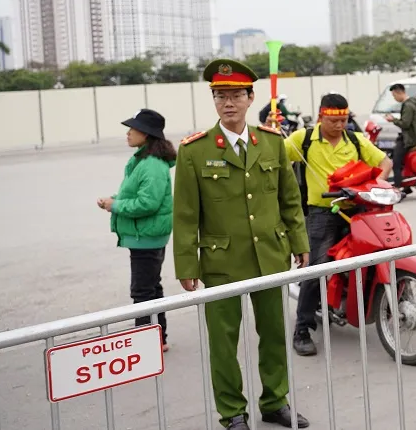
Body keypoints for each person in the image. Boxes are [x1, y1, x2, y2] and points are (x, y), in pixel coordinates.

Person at [173, 59, 310, 430]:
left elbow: (289, 199)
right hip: (221, 263)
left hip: (270, 256)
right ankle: (232, 412)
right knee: (223, 343)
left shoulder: (272, 142)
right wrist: (186, 264)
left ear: (251, 98)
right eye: (220, 96)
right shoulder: (194, 151)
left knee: (275, 335)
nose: (228, 103)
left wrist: (299, 241)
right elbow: (185, 214)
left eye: (235, 95)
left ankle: (275, 402)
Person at [283, 93, 392, 357]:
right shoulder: (303, 139)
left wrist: (379, 184)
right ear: (321, 116)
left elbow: (385, 161)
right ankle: (302, 329)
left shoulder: (354, 140)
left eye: (344, 119)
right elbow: (274, 155)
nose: (340, 125)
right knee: (317, 268)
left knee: (382, 253)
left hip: (359, 208)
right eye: (334, 120)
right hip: (323, 212)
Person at [98, 109, 175, 352]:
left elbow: (147, 203)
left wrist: (115, 206)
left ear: (147, 134)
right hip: (147, 236)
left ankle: (146, 346)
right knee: (152, 288)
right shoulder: (143, 160)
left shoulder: (151, 165)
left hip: (147, 237)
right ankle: (158, 338)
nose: (128, 133)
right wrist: (114, 200)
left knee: (142, 292)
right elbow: (136, 194)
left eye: (133, 129)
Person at [385, 83, 416, 192]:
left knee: (395, 163)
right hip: (409, 136)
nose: (394, 98)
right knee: (401, 160)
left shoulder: (408, 105)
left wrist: (393, 120)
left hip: (408, 139)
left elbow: (405, 124)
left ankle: (397, 188)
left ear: (399, 93)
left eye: (394, 95)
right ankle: (406, 186)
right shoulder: (411, 103)